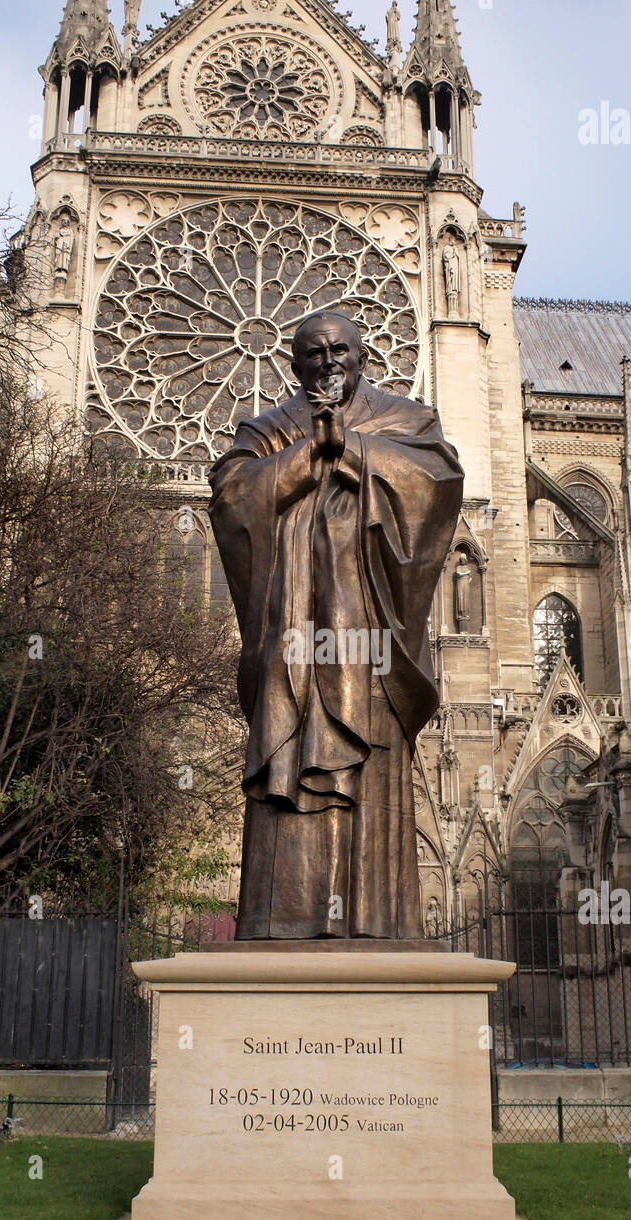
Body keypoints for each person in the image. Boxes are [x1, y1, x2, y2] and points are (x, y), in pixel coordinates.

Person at [208, 310, 462, 938]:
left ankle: (377, 926)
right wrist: (306, 454)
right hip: (292, 641)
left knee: (371, 768)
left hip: (370, 638)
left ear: (362, 356)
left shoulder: (407, 421)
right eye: (313, 354)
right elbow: (231, 498)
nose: (328, 363)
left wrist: (348, 449)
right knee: (287, 776)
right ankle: (280, 923)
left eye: (339, 351)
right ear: (293, 366)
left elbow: (438, 485)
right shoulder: (267, 430)